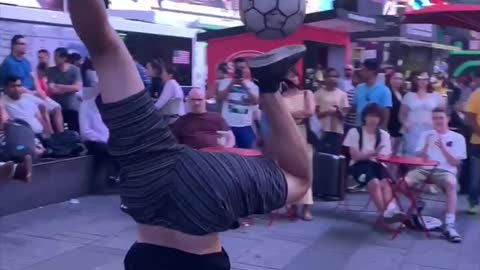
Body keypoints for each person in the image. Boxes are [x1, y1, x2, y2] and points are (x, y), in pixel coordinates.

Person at [69, 2, 310, 270]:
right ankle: (269, 86)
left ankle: (268, 86)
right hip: (162, 177)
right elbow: (103, 48)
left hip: (182, 173)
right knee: (105, 50)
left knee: (299, 179)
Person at [404, 108, 466, 243]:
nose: (437, 121)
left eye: (440, 118)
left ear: (447, 119)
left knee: (451, 183)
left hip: (445, 171)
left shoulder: (457, 137)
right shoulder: (427, 134)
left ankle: (449, 224)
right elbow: (419, 157)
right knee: (403, 183)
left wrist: (443, 148)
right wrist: (427, 145)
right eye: (435, 118)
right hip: (425, 168)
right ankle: (417, 201)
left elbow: (456, 163)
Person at [343, 104, 403, 224]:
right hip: (359, 166)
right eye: (370, 116)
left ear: (380, 119)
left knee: (387, 183)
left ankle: (391, 211)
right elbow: (355, 156)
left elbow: (385, 157)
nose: (373, 119)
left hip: (378, 165)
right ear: (365, 117)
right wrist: (373, 153)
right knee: (375, 183)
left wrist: (375, 155)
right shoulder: (355, 132)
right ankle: (385, 216)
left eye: (376, 117)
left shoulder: (384, 135)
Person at [282, 67, 315, 221]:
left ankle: (307, 207)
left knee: (306, 170)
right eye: (288, 76)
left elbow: (309, 112)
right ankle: (293, 205)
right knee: (290, 171)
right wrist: (294, 116)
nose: (291, 79)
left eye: (293, 76)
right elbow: (279, 116)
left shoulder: (307, 93)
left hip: (303, 134)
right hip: (287, 135)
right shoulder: (281, 97)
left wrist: (290, 116)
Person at [217, 57, 259, 149]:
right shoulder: (224, 82)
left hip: (245, 125)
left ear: (247, 69)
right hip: (227, 125)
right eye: (237, 68)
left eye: (242, 68)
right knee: (226, 152)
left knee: (248, 152)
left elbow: (255, 102)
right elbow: (219, 98)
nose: (240, 70)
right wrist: (232, 83)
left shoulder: (253, 85)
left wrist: (244, 85)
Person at [400, 72, 445, 157]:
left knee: (428, 153)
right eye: (420, 79)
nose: (422, 82)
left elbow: (442, 113)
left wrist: (440, 127)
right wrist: (405, 123)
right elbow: (402, 114)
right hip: (412, 129)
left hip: (430, 129)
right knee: (411, 154)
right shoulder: (409, 95)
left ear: (428, 81)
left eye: (425, 79)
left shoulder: (436, 96)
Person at [314, 67, 349, 155]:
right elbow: (315, 115)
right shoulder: (318, 94)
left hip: (336, 131)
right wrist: (327, 112)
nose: (335, 79)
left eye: (337, 77)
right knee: (320, 156)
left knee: (334, 157)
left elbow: (344, 117)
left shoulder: (342, 95)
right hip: (321, 130)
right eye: (332, 76)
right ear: (326, 78)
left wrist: (337, 112)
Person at [47, 47, 83, 132]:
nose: (54, 59)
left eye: (56, 57)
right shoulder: (51, 71)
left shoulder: (75, 70)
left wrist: (59, 86)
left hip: (72, 108)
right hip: (57, 108)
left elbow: (77, 87)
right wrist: (70, 88)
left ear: (64, 58)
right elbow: (52, 89)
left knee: (75, 133)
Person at [353, 59, 392, 129]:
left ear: (372, 72)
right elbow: (355, 107)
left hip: (375, 130)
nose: (361, 72)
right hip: (359, 129)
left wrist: (382, 132)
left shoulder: (385, 91)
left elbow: (386, 113)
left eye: (363, 70)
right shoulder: (359, 88)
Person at [466, 76, 480, 214]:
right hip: (478, 143)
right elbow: (470, 117)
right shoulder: (477, 95)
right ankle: (473, 202)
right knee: (476, 176)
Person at [386, 71, 405, 155]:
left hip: (400, 130)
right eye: (396, 78)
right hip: (389, 129)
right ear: (390, 79)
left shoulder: (403, 94)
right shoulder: (387, 93)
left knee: (396, 155)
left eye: (400, 79)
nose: (398, 81)